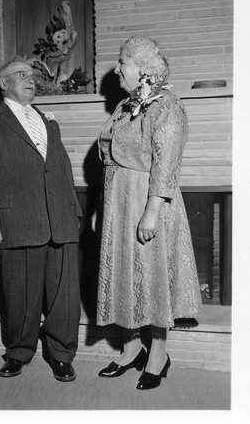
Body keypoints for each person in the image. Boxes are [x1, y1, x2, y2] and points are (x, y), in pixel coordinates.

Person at [96, 35, 202, 390]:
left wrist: (151, 213)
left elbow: (166, 166)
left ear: (141, 70)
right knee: (124, 273)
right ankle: (130, 349)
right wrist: (103, 207)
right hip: (119, 200)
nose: (117, 69)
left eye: (122, 61)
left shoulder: (167, 106)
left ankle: (158, 353)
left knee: (151, 274)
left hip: (149, 200)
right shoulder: (126, 106)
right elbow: (109, 157)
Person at [0, 58, 82, 382]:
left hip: (59, 218)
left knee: (64, 295)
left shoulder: (48, 122)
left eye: (32, 76)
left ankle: (61, 354)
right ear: (3, 83)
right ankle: (19, 352)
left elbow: (60, 169)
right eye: (21, 75)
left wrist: (73, 211)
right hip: (17, 222)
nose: (30, 80)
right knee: (21, 293)